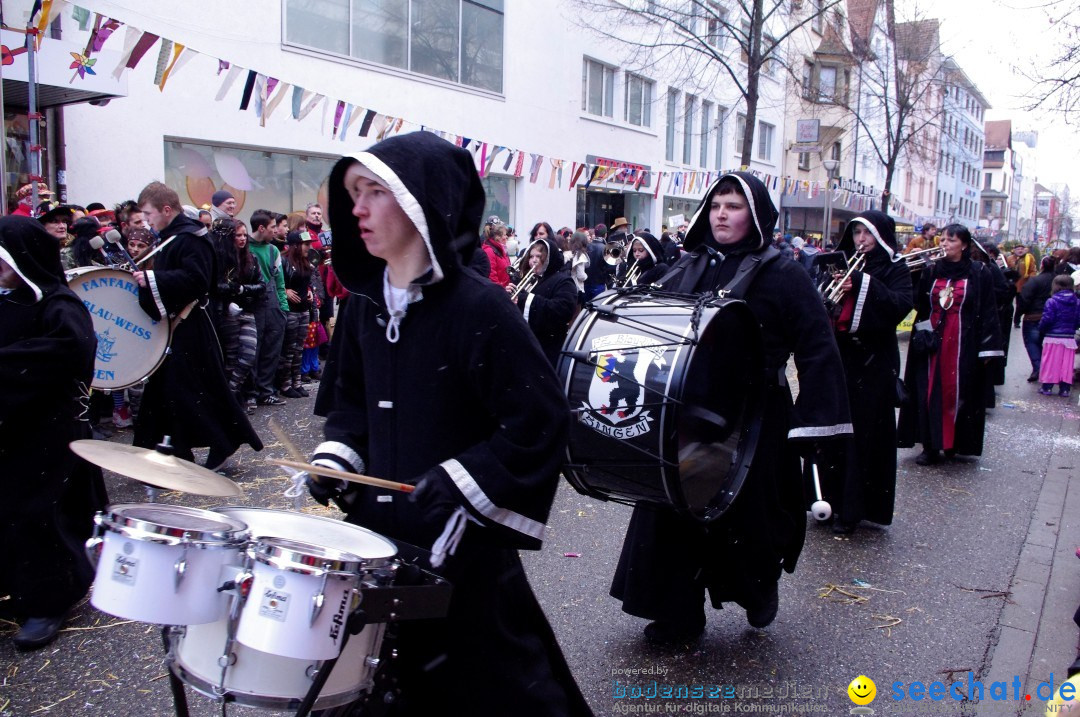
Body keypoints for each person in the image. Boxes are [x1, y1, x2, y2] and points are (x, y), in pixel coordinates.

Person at [308, 132, 591, 716]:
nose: (356, 209)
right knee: (370, 686)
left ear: (419, 203)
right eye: (353, 193)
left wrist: (465, 478)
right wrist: (339, 459)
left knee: (492, 689)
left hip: (460, 548)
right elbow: (351, 403)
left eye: (374, 192)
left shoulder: (481, 308)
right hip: (374, 548)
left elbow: (538, 420)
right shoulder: (363, 303)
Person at [610, 173, 852, 643]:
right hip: (689, 414)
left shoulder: (783, 273)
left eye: (734, 206)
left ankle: (758, 590)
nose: (722, 213)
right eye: (717, 204)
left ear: (755, 214)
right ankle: (678, 612)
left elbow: (818, 347)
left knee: (752, 518)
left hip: (757, 416)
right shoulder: (687, 266)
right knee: (673, 510)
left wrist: (813, 421)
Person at [0, 216, 107, 650]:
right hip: (10, 428)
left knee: (40, 517)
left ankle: (50, 599)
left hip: (47, 433)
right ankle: (16, 586)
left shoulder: (59, 305)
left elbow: (67, 352)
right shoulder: (7, 300)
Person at [131, 182, 263, 468]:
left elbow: (199, 281)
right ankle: (170, 453)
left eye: (149, 214)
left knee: (191, 391)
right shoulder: (171, 236)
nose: (147, 220)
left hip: (192, 327)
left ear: (167, 210)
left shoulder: (191, 238)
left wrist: (153, 279)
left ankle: (220, 442)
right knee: (169, 392)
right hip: (175, 327)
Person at [818, 211, 912, 534]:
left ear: (881, 236)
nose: (860, 240)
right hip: (841, 360)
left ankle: (853, 509)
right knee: (833, 430)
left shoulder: (896, 268)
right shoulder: (842, 264)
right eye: (857, 233)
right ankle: (827, 501)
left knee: (863, 435)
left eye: (867, 234)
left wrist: (861, 285)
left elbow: (900, 306)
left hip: (873, 363)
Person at [898, 224, 1003, 465]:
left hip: (964, 341)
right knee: (928, 391)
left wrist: (988, 348)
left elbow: (988, 309)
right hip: (932, 342)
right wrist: (922, 335)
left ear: (964, 245)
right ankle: (930, 445)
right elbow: (922, 307)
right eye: (942, 239)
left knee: (958, 392)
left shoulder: (979, 272)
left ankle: (954, 442)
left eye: (951, 240)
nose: (944, 244)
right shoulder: (930, 271)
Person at [210, 218, 263, 407]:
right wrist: (234, 292)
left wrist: (240, 290)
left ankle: (229, 397)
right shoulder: (218, 259)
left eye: (244, 235)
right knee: (232, 359)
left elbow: (262, 285)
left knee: (248, 356)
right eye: (237, 235)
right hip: (227, 313)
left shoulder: (251, 258)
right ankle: (230, 401)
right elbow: (216, 286)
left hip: (247, 310)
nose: (242, 239)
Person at [509, 232, 578, 367]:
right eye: (531, 256)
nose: (533, 260)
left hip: (548, 346)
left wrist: (525, 299)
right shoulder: (527, 279)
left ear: (549, 258)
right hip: (525, 343)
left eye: (539, 256)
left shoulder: (563, 281)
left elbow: (563, 310)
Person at [248, 209, 288, 406]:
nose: (275, 230)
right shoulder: (244, 248)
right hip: (253, 304)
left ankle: (266, 391)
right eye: (273, 227)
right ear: (261, 228)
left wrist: (283, 307)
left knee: (272, 350)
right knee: (253, 351)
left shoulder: (273, 250)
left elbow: (279, 281)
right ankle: (251, 393)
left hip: (273, 305)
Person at [278, 230, 314, 398]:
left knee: (299, 348)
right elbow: (276, 282)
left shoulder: (306, 262)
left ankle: (297, 382)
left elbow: (307, 282)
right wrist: (285, 290)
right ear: (295, 246)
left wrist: (310, 290)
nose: (309, 247)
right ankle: (285, 384)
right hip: (291, 311)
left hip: (304, 310)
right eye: (306, 244)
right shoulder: (284, 261)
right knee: (289, 349)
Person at [1037, 274, 1080, 397]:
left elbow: (1047, 318)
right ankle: (1065, 389)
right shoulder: (1077, 302)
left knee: (1050, 361)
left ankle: (1047, 387)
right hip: (1069, 337)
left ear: (1056, 286)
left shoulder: (1052, 301)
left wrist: (1041, 328)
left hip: (1052, 336)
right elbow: (1078, 320)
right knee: (1066, 363)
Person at [1017, 256, 1057, 382]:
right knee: (1051, 345)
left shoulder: (1035, 281)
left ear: (1042, 266)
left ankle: (1038, 368)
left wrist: (1019, 314)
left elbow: (1025, 298)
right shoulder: (1059, 280)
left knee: (1032, 343)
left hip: (1033, 316)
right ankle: (1050, 370)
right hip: (1054, 317)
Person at [480, 217, 511, 287]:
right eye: (505, 235)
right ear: (498, 237)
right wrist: (501, 289)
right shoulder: (489, 251)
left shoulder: (501, 249)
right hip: (498, 292)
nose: (506, 237)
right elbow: (491, 275)